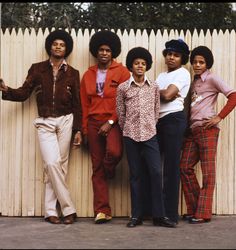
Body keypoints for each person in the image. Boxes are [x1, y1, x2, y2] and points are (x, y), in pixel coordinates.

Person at [0, 30, 82, 224]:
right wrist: (7, 90)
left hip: (66, 120)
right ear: (50, 47)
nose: (58, 47)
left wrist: (78, 129)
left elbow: (77, 103)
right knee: (52, 163)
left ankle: (50, 212)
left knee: (59, 167)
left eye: (62, 45)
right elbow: (23, 92)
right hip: (44, 121)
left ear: (66, 48)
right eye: (55, 44)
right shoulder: (37, 69)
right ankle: (69, 208)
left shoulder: (73, 73)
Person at [116, 47, 176, 228]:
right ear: (131, 66)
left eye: (143, 63)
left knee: (156, 172)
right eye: (136, 63)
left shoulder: (154, 87)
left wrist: (149, 126)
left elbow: (156, 111)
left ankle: (159, 215)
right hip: (130, 135)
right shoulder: (123, 88)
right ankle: (136, 215)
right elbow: (120, 113)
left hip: (150, 135)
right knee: (136, 175)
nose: (140, 66)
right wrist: (128, 129)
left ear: (147, 66)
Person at [180, 46, 236, 224]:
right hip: (192, 130)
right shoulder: (194, 81)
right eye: (195, 61)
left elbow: (233, 96)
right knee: (184, 167)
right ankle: (196, 208)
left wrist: (219, 117)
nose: (197, 65)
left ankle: (203, 214)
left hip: (207, 130)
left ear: (207, 63)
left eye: (201, 62)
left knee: (208, 173)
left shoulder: (212, 78)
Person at [80, 30, 130, 224]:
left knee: (115, 152)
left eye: (107, 50)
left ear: (113, 52)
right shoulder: (88, 74)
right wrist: (85, 129)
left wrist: (111, 122)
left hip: (113, 121)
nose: (103, 53)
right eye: (100, 49)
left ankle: (109, 170)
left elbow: (125, 100)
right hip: (93, 122)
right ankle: (102, 210)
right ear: (95, 51)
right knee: (96, 168)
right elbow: (84, 104)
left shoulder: (122, 72)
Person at [155, 39, 191, 224]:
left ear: (182, 58)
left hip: (173, 120)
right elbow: (155, 94)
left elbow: (168, 96)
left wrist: (160, 92)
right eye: (169, 54)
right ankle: (157, 212)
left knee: (170, 168)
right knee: (153, 167)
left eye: (176, 55)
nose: (171, 57)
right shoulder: (161, 76)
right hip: (157, 121)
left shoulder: (183, 73)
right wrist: (160, 90)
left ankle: (170, 215)